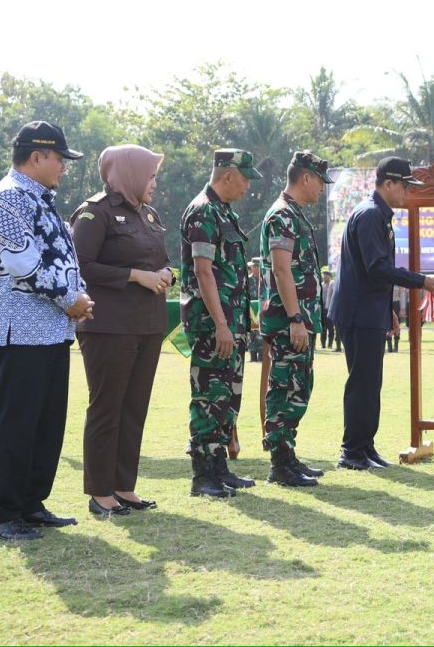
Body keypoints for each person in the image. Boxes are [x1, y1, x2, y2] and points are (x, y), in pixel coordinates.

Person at [0, 120, 94, 541]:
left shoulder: (42, 200)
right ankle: (4, 513)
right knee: (17, 423)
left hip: (50, 329)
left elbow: (65, 260)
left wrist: (77, 298)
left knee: (46, 424)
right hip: (17, 328)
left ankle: (30, 504)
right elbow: (24, 267)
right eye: (60, 158)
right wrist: (70, 299)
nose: (63, 166)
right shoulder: (6, 200)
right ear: (36, 157)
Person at [70, 144, 173, 517]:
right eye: (149, 175)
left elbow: (160, 261)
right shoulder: (94, 214)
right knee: (107, 407)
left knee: (134, 408)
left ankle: (124, 487)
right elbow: (80, 266)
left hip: (147, 325)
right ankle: (100, 493)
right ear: (128, 174)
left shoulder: (147, 214)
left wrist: (166, 274)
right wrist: (134, 276)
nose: (154, 183)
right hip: (108, 327)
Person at [329, 156, 434, 470]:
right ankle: (351, 452)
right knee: (362, 383)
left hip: (368, 309)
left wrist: (389, 309)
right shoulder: (370, 215)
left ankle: (364, 448)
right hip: (357, 312)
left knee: (370, 383)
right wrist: (421, 281)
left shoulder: (378, 215)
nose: (407, 192)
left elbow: (376, 272)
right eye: (405, 185)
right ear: (389, 183)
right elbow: (377, 268)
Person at [180, 148, 260, 498]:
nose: (248, 187)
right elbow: (202, 271)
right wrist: (222, 325)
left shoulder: (222, 211)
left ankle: (220, 469)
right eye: (244, 179)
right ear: (227, 175)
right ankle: (203, 476)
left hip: (232, 323)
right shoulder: (202, 212)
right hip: (213, 326)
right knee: (209, 397)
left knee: (227, 397)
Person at [260, 150, 333, 487]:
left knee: (299, 387)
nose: (322, 188)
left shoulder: (295, 214)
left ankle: (288, 454)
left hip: (300, 319)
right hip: (289, 320)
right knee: (285, 388)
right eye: (320, 181)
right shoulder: (282, 216)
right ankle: (279, 463)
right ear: (306, 178)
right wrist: (294, 318)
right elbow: (281, 268)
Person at [387, 284, 408, 353]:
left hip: (396, 304)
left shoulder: (398, 284)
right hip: (386, 304)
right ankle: (389, 345)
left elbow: (402, 296)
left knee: (396, 325)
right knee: (386, 325)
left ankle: (396, 346)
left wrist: (402, 308)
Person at [320, 268, 337, 350]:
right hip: (322, 308)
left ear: (329, 276)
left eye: (325, 275)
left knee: (330, 327)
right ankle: (323, 344)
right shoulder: (321, 285)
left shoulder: (332, 284)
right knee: (323, 327)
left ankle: (330, 344)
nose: (324, 277)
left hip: (330, 308)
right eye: (323, 275)